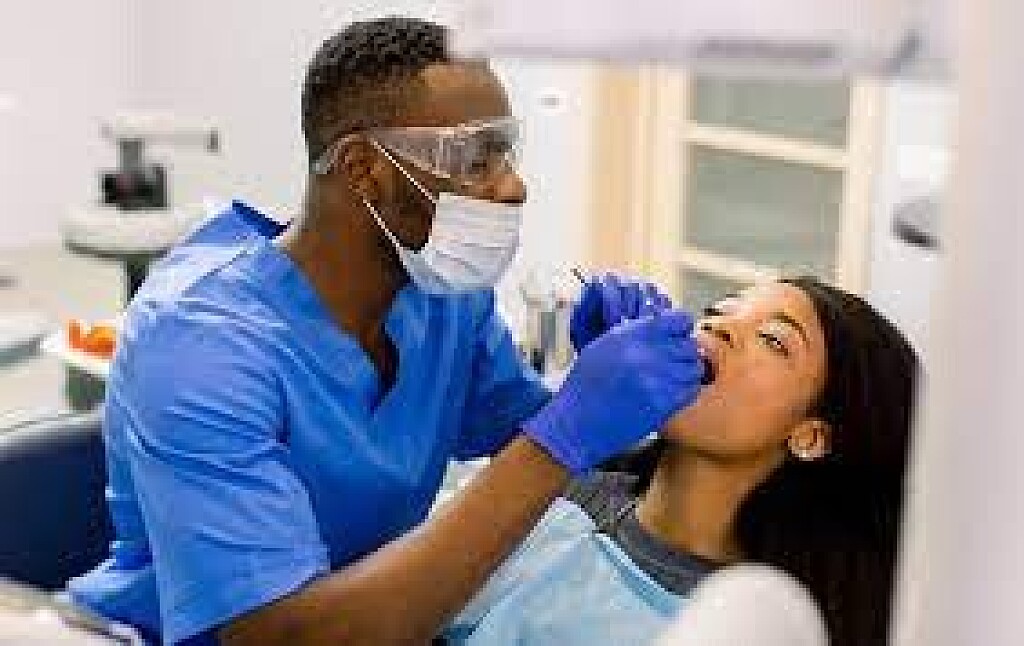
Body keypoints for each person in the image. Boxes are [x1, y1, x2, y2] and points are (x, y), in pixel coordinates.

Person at [65, 17, 705, 646]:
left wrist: (603, 392)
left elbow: (523, 435)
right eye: (475, 157)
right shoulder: (200, 348)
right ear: (364, 169)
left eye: (506, 153)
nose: (512, 187)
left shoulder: (442, 298)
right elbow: (282, 637)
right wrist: (567, 429)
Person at [441, 276, 920, 646]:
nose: (719, 326)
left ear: (810, 436)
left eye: (773, 340)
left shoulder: (738, 626)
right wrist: (566, 406)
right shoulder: (561, 488)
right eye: (723, 308)